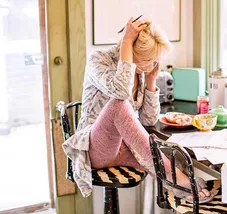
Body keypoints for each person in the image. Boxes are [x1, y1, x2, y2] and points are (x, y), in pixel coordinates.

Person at [62, 17, 213, 203]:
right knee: (119, 105)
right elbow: (121, 93)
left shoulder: (140, 73)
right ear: (131, 51)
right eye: (150, 60)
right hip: (95, 149)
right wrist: (126, 41)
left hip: (123, 148)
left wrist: (150, 82)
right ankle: (179, 181)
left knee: (172, 157)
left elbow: (148, 120)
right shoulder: (98, 60)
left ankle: (180, 187)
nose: (153, 64)